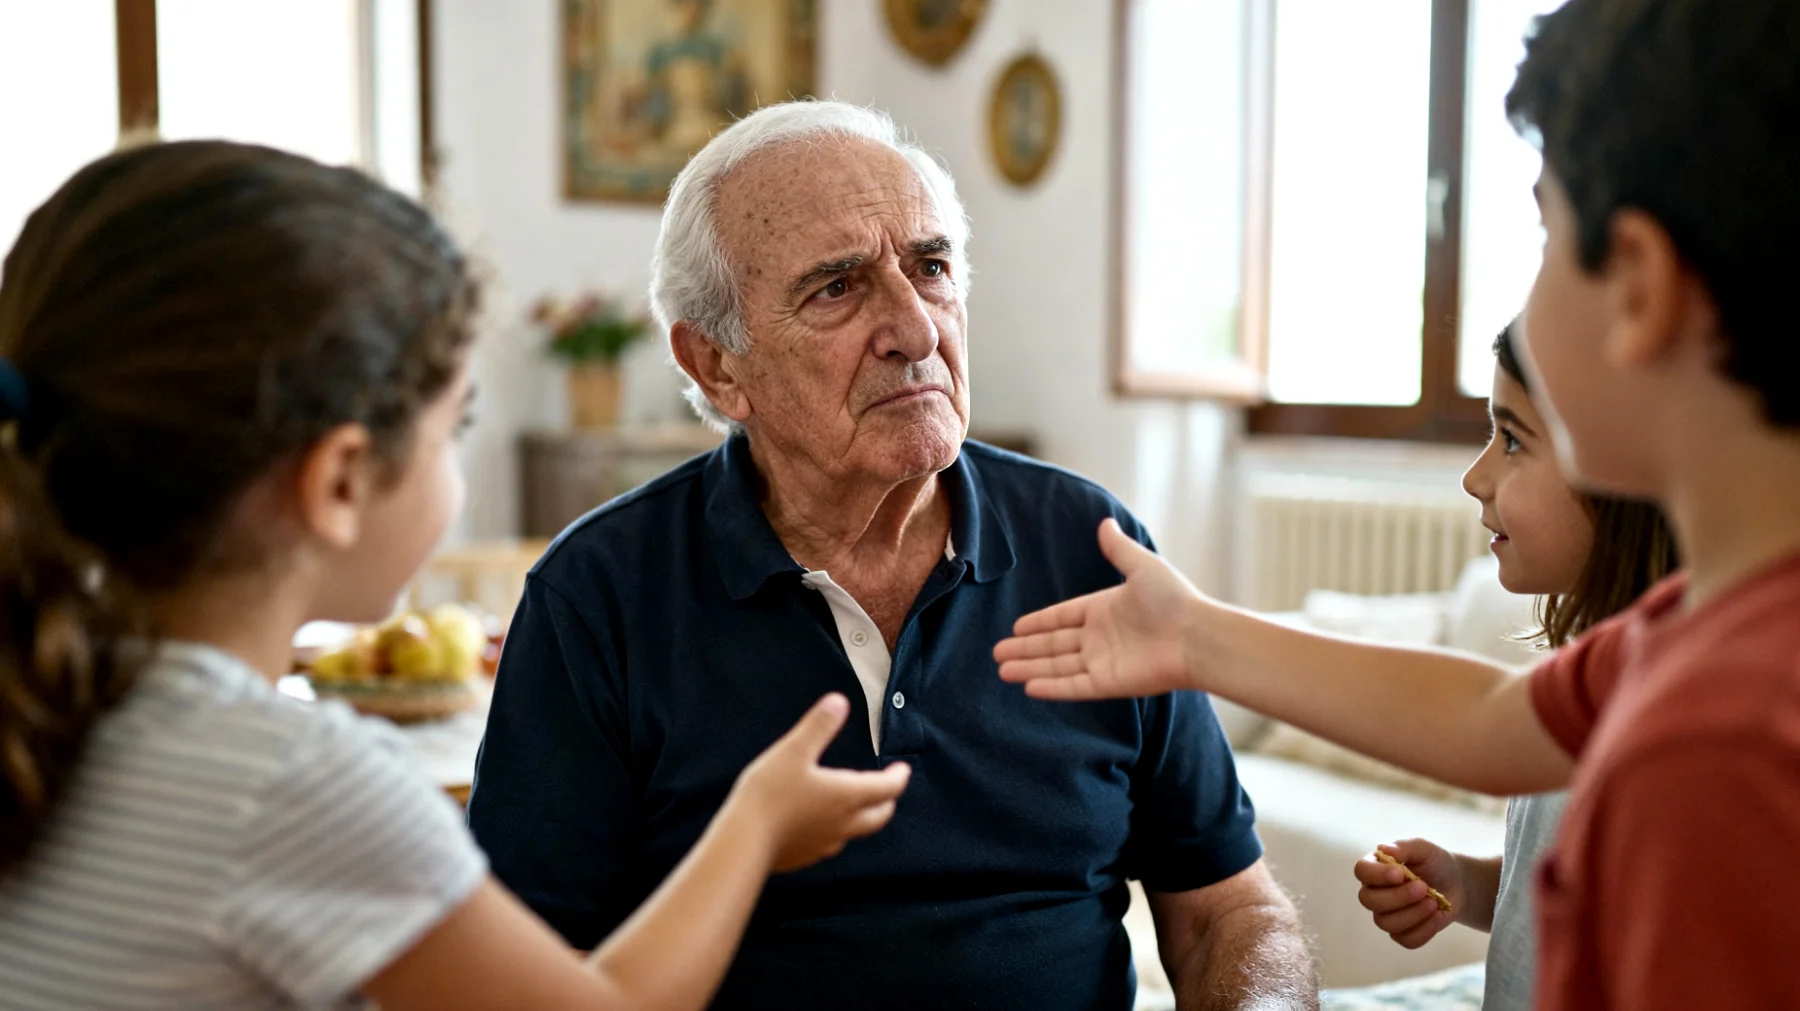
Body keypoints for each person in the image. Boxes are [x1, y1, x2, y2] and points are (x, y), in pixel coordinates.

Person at [997, 1, 1800, 1004]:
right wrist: (1193, 635)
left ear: (1640, 286)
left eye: (1546, 234)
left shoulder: (1713, 749)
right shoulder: (1694, 633)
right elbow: (1490, 717)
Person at [0, 140, 908, 1011]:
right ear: (342, 482)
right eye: (454, 429)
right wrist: (752, 826)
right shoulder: (293, 782)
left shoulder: (49, 702)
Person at [467, 100, 1316, 1011]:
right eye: (837, 287)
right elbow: (521, 982)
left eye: (933, 267)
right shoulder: (598, 595)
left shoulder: (1091, 546)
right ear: (717, 366)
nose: (915, 329)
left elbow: (1227, 908)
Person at [1350, 323, 1674, 1011]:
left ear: (1622, 473)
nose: (1475, 476)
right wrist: (1468, 885)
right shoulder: (1585, 658)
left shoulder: (1660, 701)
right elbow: (1567, 888)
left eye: (1514, 439)